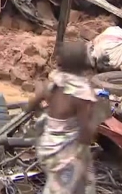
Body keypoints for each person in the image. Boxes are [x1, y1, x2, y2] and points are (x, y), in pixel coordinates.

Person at [26, 41, 97, 194]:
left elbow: (30, 105)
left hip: (47, 147)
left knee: (76, 182)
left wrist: (43, 113)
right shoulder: (81, 92)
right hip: (63, 155)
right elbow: (85, 131)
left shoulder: (55, 82)